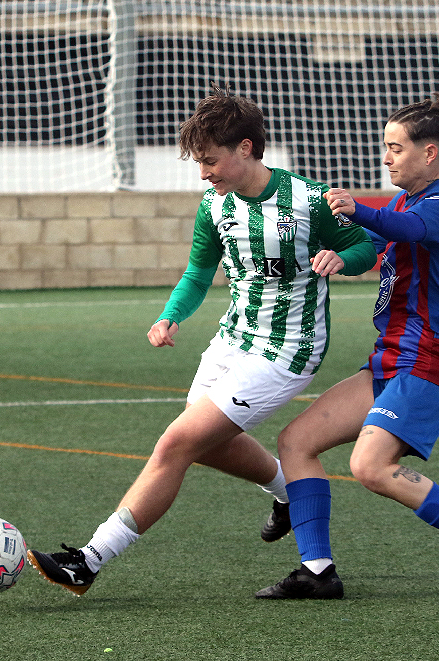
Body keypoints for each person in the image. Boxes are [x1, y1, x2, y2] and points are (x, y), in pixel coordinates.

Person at [26, 86, 377, 596]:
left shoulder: (308, 199)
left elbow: (367, 244)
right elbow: (197, 274)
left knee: (176, 442)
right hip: (232, 341)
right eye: (198, 162)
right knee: (207, 445)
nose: (204, 173)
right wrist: (169, 317)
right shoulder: (215, 205)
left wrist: (345, 259)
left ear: (247, 148)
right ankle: (287, 492)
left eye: (211, 161)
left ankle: (89, 559)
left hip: (287, 349)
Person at [254, 94, 439, 604]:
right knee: (295, 442)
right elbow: (370, 248)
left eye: (395, 148)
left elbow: (407, 229)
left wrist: (362, 211)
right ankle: (317, 571)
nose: (386, 157)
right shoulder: (401, 203)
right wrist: (335, 255)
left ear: (430, 153)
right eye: (385, 147)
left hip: (431, 357)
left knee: (368, 466)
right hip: (392, 356)